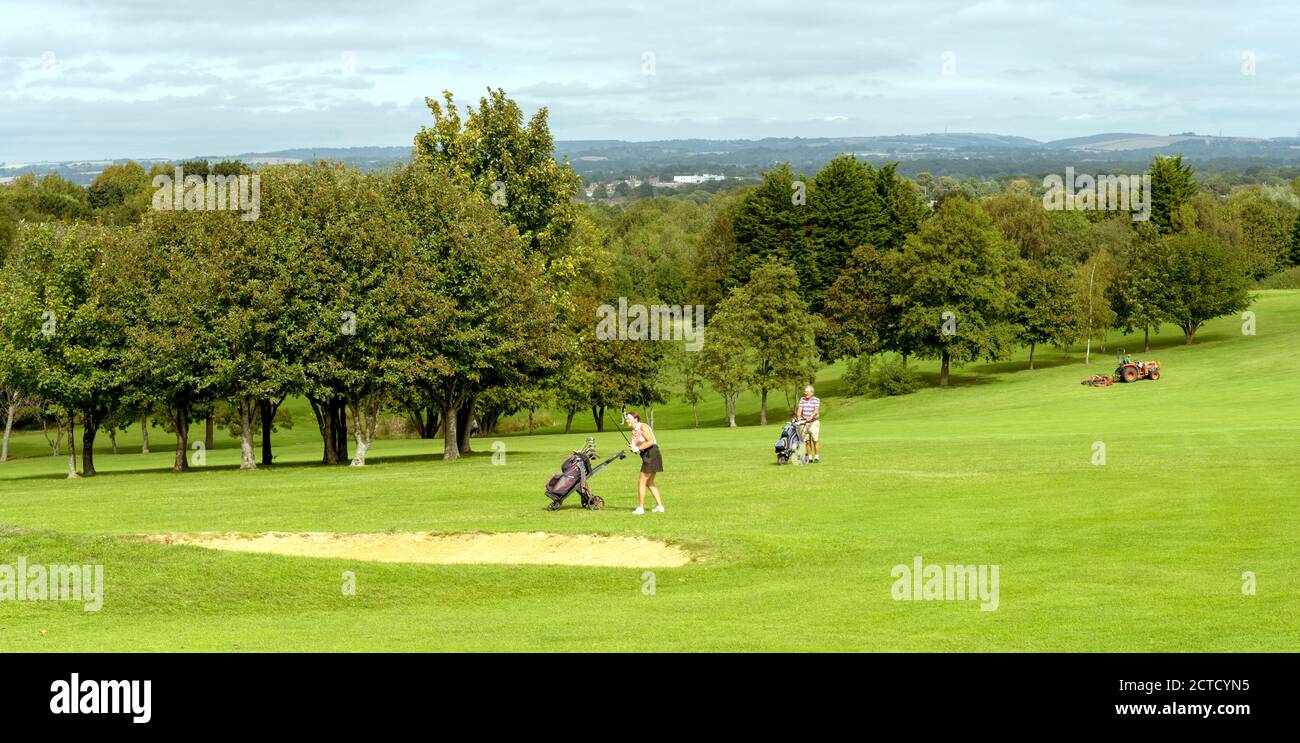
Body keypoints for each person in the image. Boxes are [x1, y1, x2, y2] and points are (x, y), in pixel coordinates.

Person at [625, 410, 664, 514]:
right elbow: (635, 445)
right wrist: (633, 448)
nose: (627, 420)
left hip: (652, 454)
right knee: (649, 482)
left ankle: (640, 508)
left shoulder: (642, 427)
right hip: (648, 455)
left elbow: (650, 441)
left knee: (642, 481)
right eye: (627, 419)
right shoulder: (634, 431)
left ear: (636, 419)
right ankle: (660, 507)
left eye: (629, 419)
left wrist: (638, 448)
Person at [797, 385, 821, 464]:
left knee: (815, 440)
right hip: (805, 423)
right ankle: (810, 458)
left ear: (812, 392)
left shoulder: (816, 400)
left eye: (807, 392)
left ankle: (817, 457)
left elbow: (816, 410)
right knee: (807, 441)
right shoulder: (802, 399)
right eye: (805, 391)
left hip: (814, 422)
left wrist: (811, 416)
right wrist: (799, 417)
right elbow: (799, 410)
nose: (805, 393)